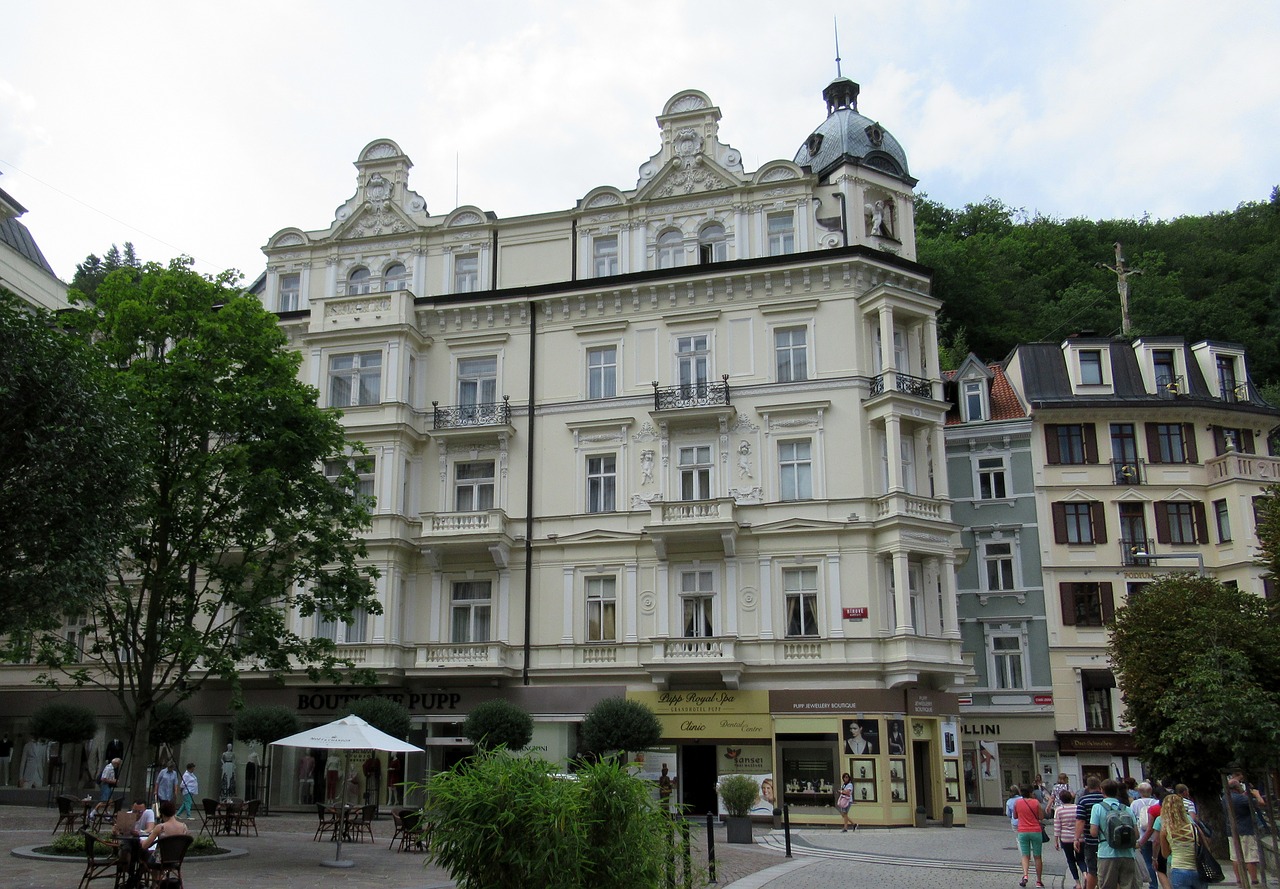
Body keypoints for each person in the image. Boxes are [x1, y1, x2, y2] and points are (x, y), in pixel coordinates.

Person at [1090, 777, 1141, 889]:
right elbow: (1136, 835)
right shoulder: (1127, 809)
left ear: (1102, 790)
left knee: (1107, 885)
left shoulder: (1097, 808)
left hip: (1107, 852)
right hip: (1128, 854)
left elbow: (1093, 832)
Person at [1154, 794, 1204, 889]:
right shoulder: (1193, 826)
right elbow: (1205, 844)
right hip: (1198, 869)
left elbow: (1165, 854)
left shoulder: (1165, 829)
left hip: (1178, 868)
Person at [1226, 774, 1262, 886]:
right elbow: (1261, 803)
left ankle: (1239, 879)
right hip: (1246, 830)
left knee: (1235, 856)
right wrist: (1257, 795)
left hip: (1231, 831)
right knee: (1250, 856)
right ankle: (1254, 880)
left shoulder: (1225, 798)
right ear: (1237, 788)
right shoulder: (1242, 799)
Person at [1075, 775, 1106, 889]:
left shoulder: (1083, 800)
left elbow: (1080, 820)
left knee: (1092, 869)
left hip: (1091, 840)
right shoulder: (1105, 798)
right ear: (1099, 786)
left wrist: (1076, 838)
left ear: (1087, 787)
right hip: (1107, 840)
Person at [1014, 783, 1046, 888]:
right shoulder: (1036, 802)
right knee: (1037, 856)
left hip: (1022, 831)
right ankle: (1038, 881)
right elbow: (1041, 817)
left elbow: (1015, 816)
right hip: (1035, 831)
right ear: (1030, 792)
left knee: (1025, 855)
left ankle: (1025, 875)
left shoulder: (1017, 802)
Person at [1055, 789, 1083, 889]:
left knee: (1071, 860)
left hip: (1065, 838)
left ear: (1061, 800)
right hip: (1080, 837)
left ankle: (1078, 883)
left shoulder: (1059, 810)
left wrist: (1056, 841)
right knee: (1081, 859)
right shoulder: (1078, 808)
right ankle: (1085, 874)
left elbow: (1057, 826)